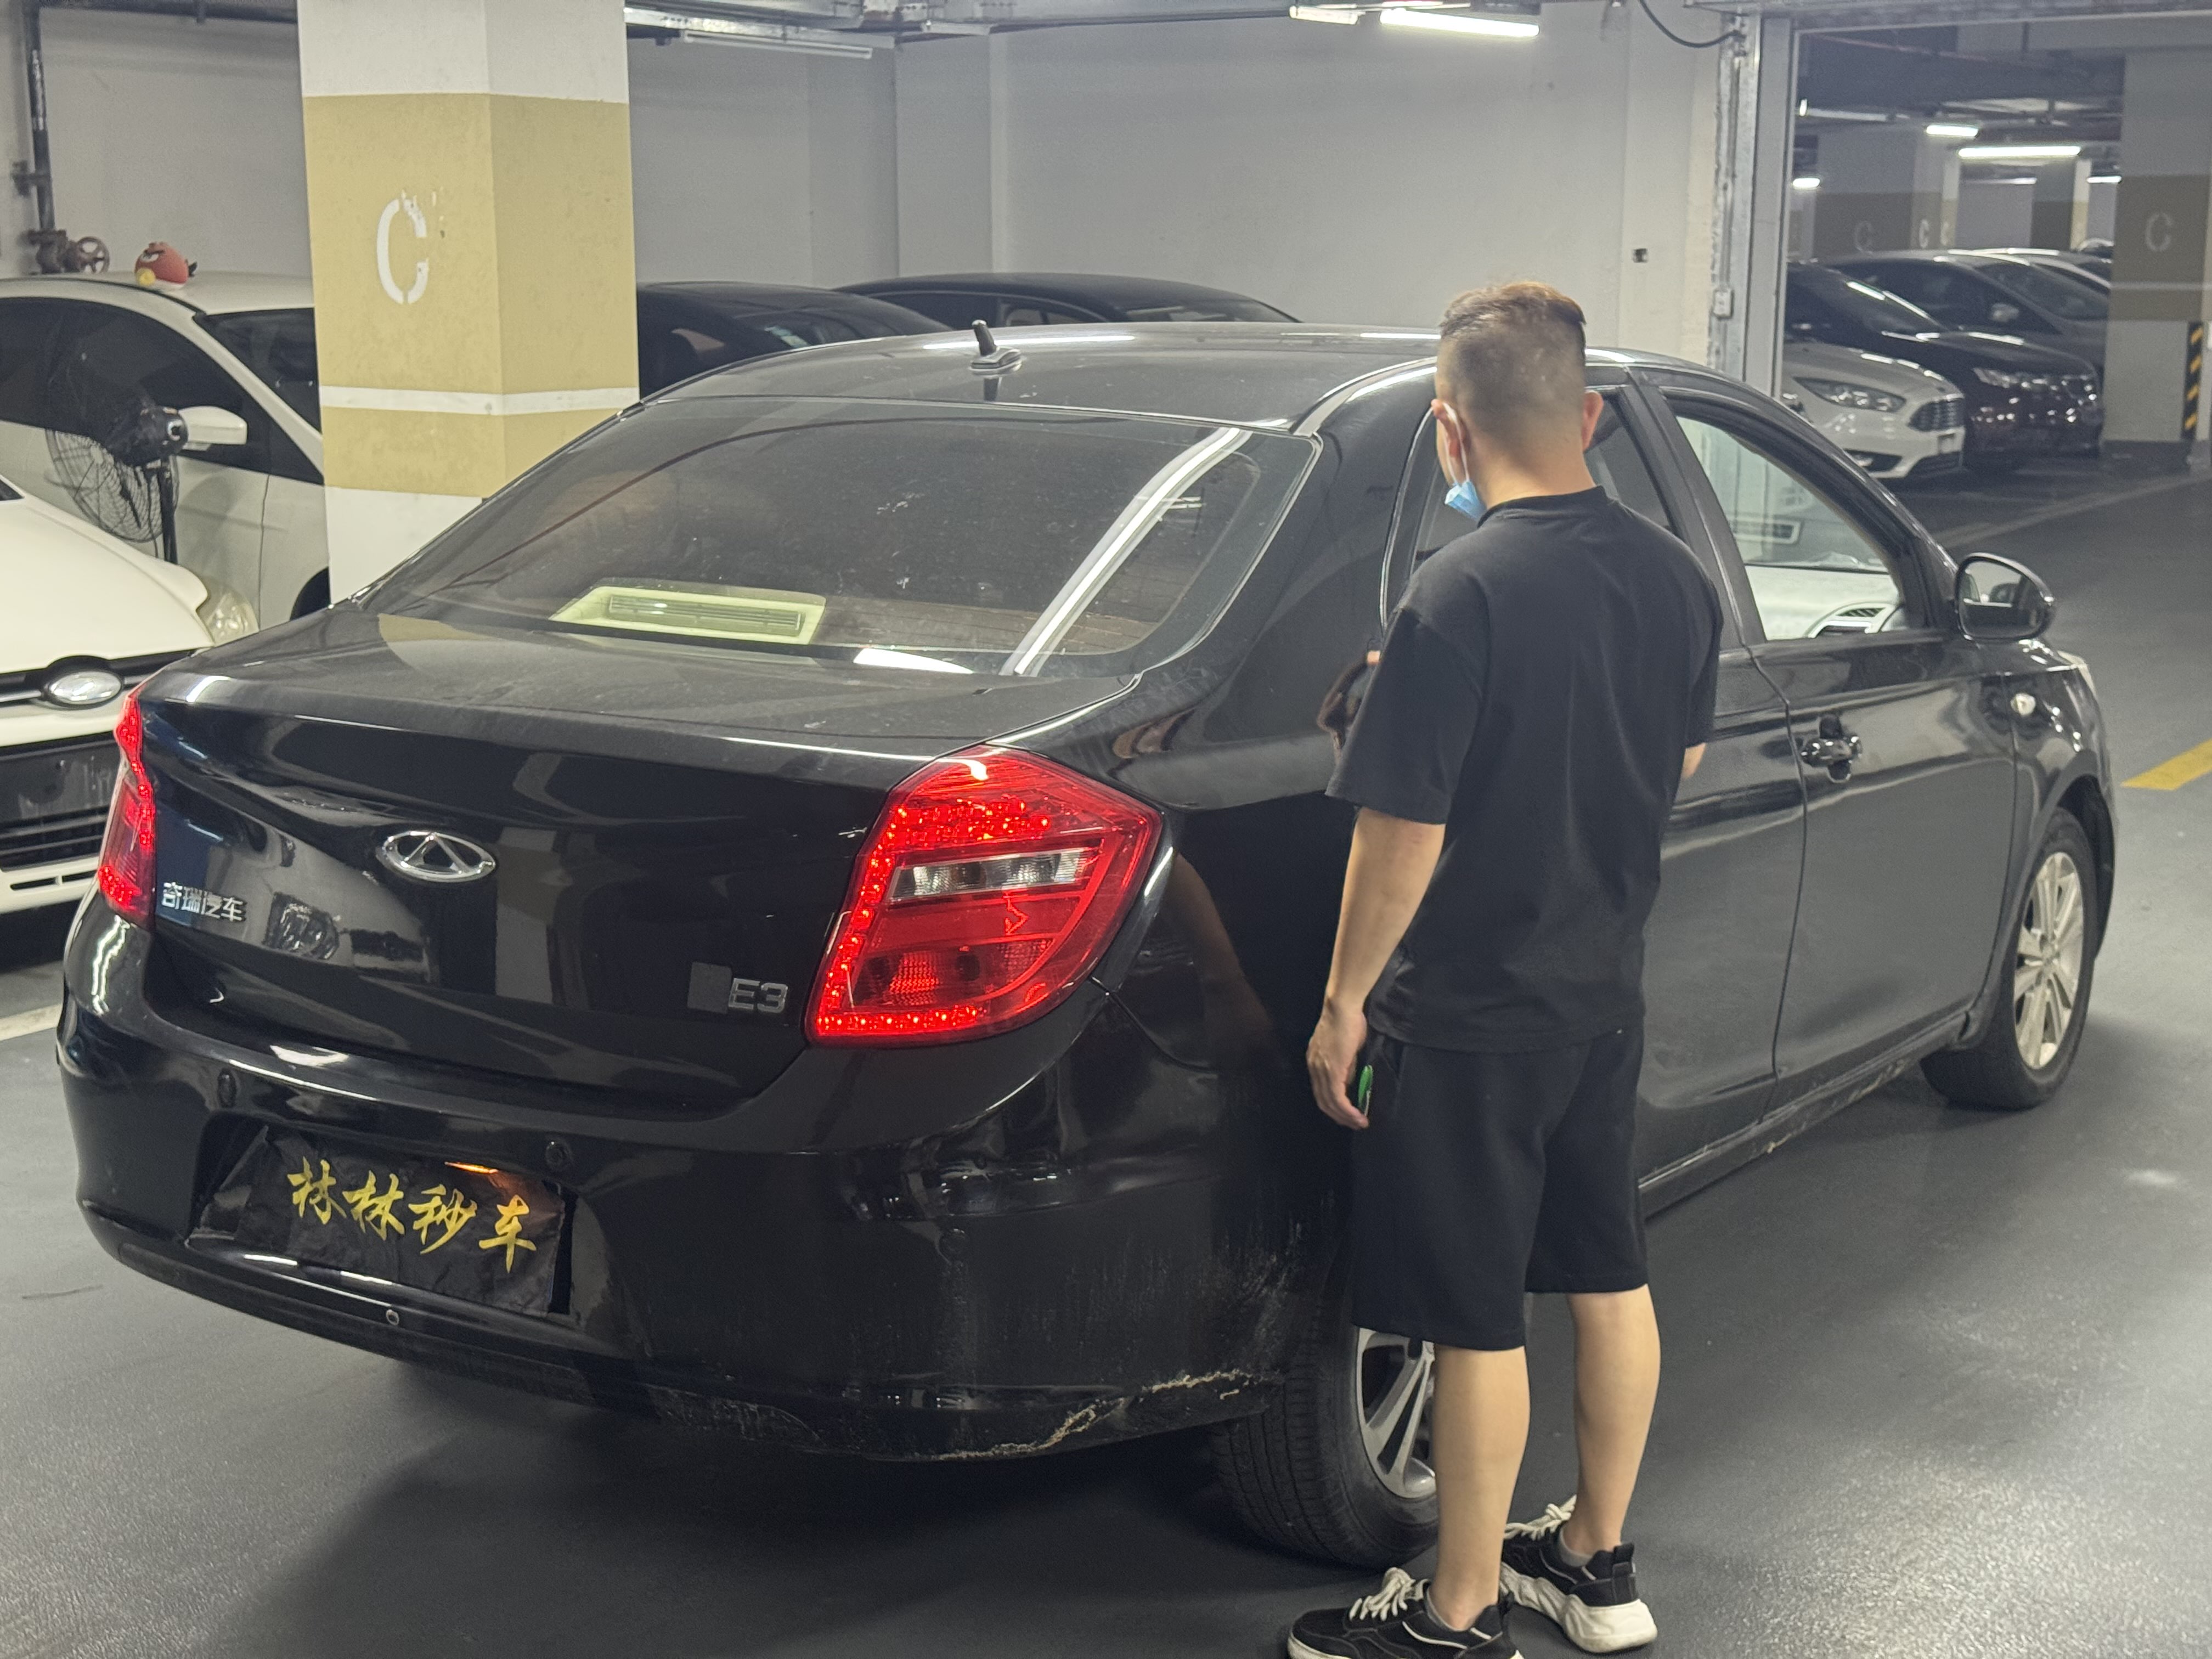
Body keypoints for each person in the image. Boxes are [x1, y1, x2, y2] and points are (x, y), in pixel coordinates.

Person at [1284, 282, 1720, 1659]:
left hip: (1471, 1014)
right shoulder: (1674, 579)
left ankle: (1456, 1613)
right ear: (1589, 415)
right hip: (1600, 996)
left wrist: (1346, 999)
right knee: (1607, 1274)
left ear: (1448, 431)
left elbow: (1401, 832)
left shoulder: (1457, 593)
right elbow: (1680, 762)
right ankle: (1593, 1563)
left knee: (1476, 1317)